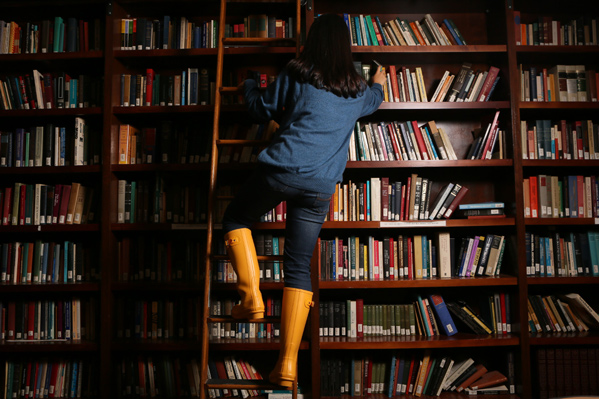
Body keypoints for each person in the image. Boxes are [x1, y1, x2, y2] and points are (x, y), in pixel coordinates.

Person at [221, 13, 386, 387]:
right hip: (320, 188)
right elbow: (376, 99)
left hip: (280, 171)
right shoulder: (358, 90)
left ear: (313, 43)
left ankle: (251, 299)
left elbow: (260, 109)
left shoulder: (298, 74)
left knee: (234, 218)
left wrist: (248, 83)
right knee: (297, 268)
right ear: (346, 48)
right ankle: (288, 367)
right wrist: (379, 79)